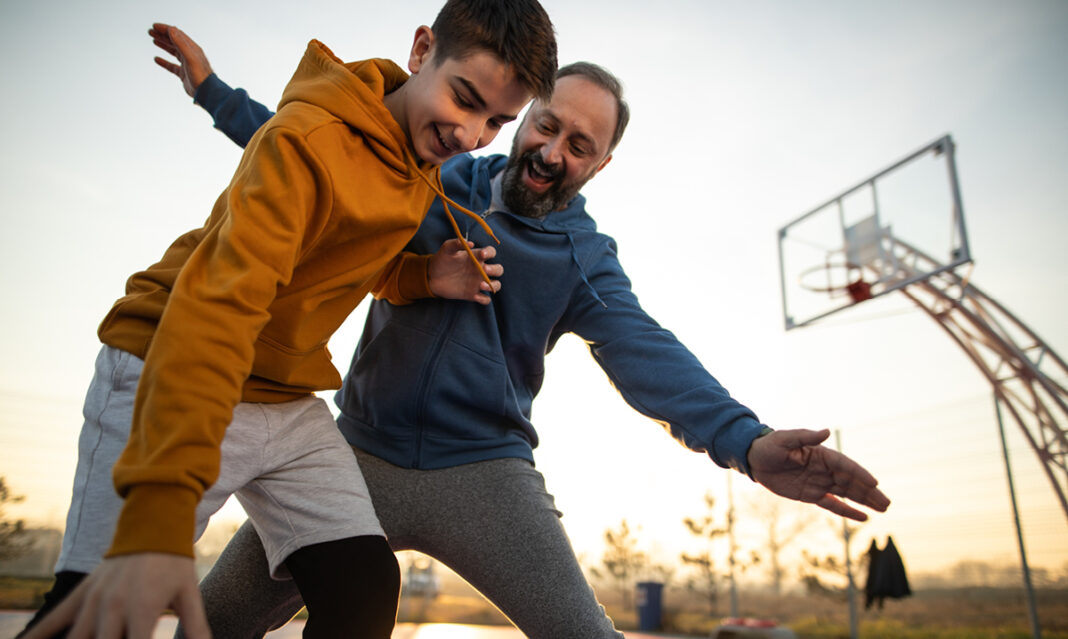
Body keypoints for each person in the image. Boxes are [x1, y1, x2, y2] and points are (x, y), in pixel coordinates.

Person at [160, 28, 890, 639]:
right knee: (214, 619)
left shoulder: (584, 259)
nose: (552, 152)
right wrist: (214, 93)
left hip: (483, 472)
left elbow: (646, 351)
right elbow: (318, 163)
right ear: (524, 112)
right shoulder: (433, 175)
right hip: (357, 456)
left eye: (580, 145)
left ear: (601, 164)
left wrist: (748, 440)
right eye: (548, 125)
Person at [22, 4, 557, 638]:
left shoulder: (416, 156)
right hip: (171, 360)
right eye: (465, 99)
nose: (470, 135)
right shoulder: (305, 140)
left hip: (281, 393)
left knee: (363, 583)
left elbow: (342, 252)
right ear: (421, 51)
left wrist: (418, 276)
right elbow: (218, 310)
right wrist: (161, 510)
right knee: (99, 613)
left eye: (495, 121)